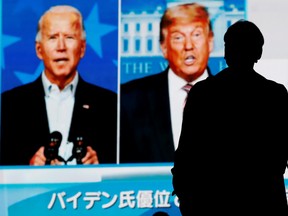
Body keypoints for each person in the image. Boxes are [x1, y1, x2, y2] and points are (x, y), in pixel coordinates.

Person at [172, 19, 288, 215]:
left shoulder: (202, 93)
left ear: (226, 52)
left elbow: (186, 153)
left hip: (212, 202)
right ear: (258, 53)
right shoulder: (275, 94)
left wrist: (186, 196)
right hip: (264, 201)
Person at [0, 5, 117, 165]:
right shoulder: (9, 104)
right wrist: (26, 168)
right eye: (53, 38)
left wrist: (101, 164)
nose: (61, 47)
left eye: (69, 37)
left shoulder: (110, 104)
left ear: (82, 48)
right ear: (39, 50)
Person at [120, 3, 214, 163]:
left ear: (210, 42)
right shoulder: (129, 99)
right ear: (164, 48)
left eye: (196, 35)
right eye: (178, 37)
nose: (189, 46)